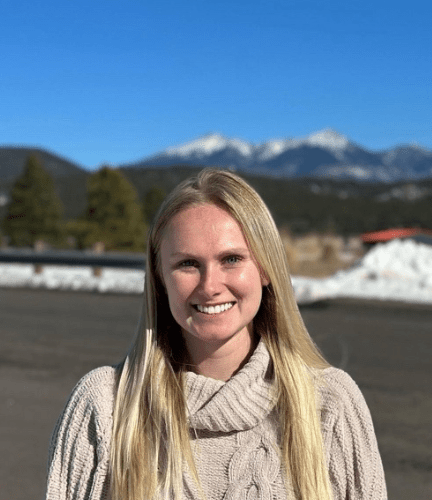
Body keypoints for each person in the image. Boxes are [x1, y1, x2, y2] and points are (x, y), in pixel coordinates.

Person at [45, 168, 387, 500]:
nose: (210, 287)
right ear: (160, 278)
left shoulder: (330, 406)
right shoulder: (105, 406)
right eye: (187, 264)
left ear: (266, 268)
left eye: (232, 259)